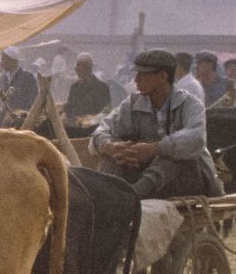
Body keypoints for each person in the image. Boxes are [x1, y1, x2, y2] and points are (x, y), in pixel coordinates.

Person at [91, 49, 219, 198]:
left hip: (187, 180)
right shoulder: (132, 103)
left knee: (169, 156)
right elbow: (104, 130)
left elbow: (196, 139)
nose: (137, 79)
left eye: (143, 74)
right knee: (115, 156)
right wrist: (109, 147)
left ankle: (132, 196)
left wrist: (154, 149)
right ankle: (105, 196)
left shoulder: (190, 104)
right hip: (144, 175)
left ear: (163, 76)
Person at [65, 54, 111, 123]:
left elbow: (105, 111)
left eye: (78, 65)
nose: (75, 68)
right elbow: (70, 107)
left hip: (93, 126)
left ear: (88, 68)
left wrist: (90, 119)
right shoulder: (75, 87)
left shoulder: (102, 87)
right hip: (75, 125)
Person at [0, 49, 40, 117]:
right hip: (5, 118)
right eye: (1, 59)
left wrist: (23, 113)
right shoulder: (1, 79)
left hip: (22, 118)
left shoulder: (27, 77)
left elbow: (34, 99)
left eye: (4, 59)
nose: (2, 62)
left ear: (14, 60)